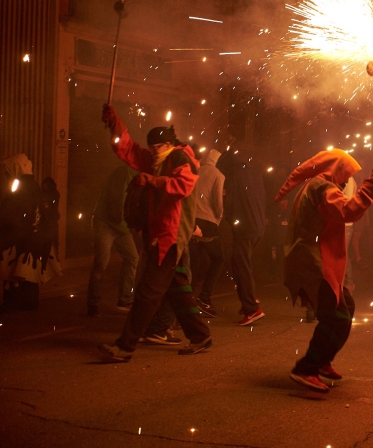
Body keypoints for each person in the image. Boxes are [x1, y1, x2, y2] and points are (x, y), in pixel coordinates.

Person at [97, 105, 211, 361]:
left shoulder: (180, 158)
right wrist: (115, 123)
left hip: (171, 235)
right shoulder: (157, 159)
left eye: (156, 147)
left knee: (147, 292)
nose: (152, 152)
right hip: (159, 232)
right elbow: (130, 150)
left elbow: (183, 185)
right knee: (178, 290)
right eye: (151, 148)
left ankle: (125, 346)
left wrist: (151, 181)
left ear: (169, 144)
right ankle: (201, 335)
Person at [275, 149, 373, 392]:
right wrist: (370, 187)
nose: (346, 182)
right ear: (336, 170)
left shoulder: (317, 184)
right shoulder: (321, 187)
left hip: (316, 261)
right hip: (313, 263)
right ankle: (306, 368)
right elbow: (347, 211)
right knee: (336, 316)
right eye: (345, 175)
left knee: (346, 308)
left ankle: (322, 360)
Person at [0, 154, 62, 312]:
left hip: (19, 239)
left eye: (7, 171)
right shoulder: (34, 187)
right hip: (35, 240)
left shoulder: (19, 188)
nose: (5, 175)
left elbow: (10, 215)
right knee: (29, 275)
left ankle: (13, 305)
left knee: (14, 273)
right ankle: (29, 304)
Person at [217, 151, 267, 325]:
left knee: (241, 266)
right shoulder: (253, 172)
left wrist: (228, 218)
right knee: (240, 263)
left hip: (244, 227)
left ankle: (252, 309)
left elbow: (229, 201)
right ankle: (249, 299)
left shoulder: (232, 175)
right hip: (258, 226)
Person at [86, 164, 139, 317]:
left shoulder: (134, 175)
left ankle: (125, 299)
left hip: (121, 224)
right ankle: (93, 302)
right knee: (101, 262)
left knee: (132, 258)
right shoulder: (122, 175)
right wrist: (134, 223)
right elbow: (118, 208)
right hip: (106, 223)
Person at [189, 149, 225, 317]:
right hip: (208, 222)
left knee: (193, 263)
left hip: (191, 222)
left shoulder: (194, 171)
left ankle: (187, 303)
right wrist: (219, 216)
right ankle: (204, 298)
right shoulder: (218, 175)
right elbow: (217, 202)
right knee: (218, 258)